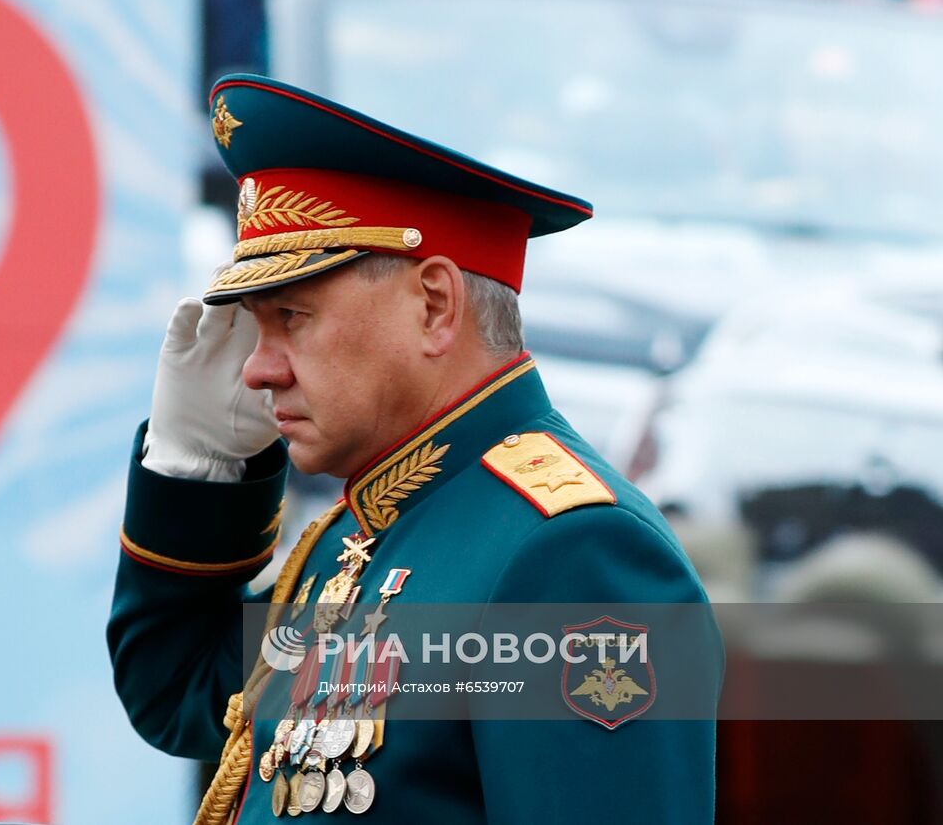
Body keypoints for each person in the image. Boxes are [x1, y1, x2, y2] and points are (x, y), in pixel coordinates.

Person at [108, 74, 717, 823]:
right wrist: (198, 466)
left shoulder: (573, 555)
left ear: (434, 305)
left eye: (291, 317)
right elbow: (180, 686)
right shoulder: (358, 533)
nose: (256, 369)